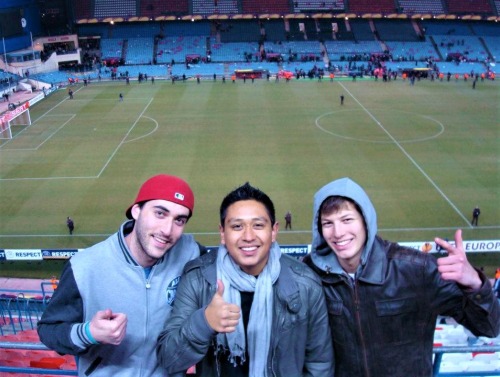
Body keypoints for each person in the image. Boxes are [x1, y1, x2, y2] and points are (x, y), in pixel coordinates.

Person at [303, 177, 500, 377]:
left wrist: (475, 284)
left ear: (365, 220)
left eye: (347, 220)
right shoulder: (308, 274)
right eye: (328, 223)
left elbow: (489, 328)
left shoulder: (418, 270)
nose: (338, 232)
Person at [157, 182, 333, 376]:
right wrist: (204, 322)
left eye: (258, 225)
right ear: (222, 233)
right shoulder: (197, 279)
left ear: (274, 231)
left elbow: (319, 363)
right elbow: (169, 360)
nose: (248, 236)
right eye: (237, 226)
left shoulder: (306, 283)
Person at [38, 174, 205, 377]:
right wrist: (89, 333)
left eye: (179, 220)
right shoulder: (84, 267)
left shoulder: (190, 252)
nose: (167, 230)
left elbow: (229, 258)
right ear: (136, 211)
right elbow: (48, 330)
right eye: (160, 214)